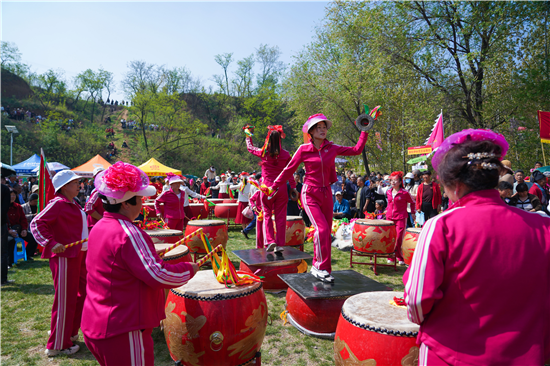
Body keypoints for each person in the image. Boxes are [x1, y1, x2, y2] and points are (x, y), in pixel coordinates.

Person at [404, 128, 550, 365]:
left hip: (451, 352)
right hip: (525, 354)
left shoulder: (440, 226)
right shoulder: (543, 225)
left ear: (456, 185)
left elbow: (417, 302)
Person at [81, 162, 198, 365]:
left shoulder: (100, 226)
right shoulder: (128, 233)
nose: (143, 204)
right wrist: (189, 269)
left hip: (99, 322)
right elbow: (157, 274)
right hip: (123, 327)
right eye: (140, 199)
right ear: (126, 203)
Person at [270, 113, 368, 282]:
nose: (323, 130)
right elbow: (289, 169)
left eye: (324, 128)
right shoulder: (303, 149)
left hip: (326, 193)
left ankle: (324, 268)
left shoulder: (332, 148)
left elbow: (357, 150)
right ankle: (318, 266)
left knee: (326, 231)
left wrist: (364, 131)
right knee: (321, 229)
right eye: (319, 128)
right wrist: (274, 185)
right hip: (310, 193)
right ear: (311, 131)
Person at [30, 170, 88, 356]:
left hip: (77, 255)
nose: (79, 185)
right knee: (65, 300)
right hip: (64, 257)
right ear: (63, 187)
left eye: (79, 182)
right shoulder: (58, 203)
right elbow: (36, 223)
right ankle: (57, 345)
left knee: (80, 295)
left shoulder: (72, 203)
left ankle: (68, 333)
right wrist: (51, 242)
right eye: (75, 182)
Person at [246, 125, 298, 253]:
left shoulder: (264, 153)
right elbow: (290, 172)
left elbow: (250, 148)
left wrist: (248, 135)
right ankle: (280, 244)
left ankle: (270, 241)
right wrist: (293, 187)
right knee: (281, 217)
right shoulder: (285, 154)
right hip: (280, 189)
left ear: (268, 139)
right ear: (280, 139)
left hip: (266, 189)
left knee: (267, 215)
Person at [385, 171, 415, 265]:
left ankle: (399, 256)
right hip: (389, 218)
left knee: (398, 238)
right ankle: (391, 256)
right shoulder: (388, 192)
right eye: (391, 180)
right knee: (390, 237)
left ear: (400, 181)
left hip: (401, 218)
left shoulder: (405, 193)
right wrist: (387, 209)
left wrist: (413, 213)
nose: (393, 182)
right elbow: (389, 204)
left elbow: (413, 202)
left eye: (395, 180)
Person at [7, 190, 28, 266]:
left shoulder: (18, 206)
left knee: (32, 238)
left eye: (14, 195)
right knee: (10, 241)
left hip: (18, 229)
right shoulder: (3, 207)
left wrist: (24, 229)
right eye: (10, 195)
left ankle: (28, 255)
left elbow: (23, 219)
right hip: (6, 231)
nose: (12, 197)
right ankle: (9, 262)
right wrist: (9, 231)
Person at [84, 167, 106, 232]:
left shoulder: (104, 190)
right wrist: (103, 219)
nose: (101, 177)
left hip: (102, 226)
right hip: (95, 226)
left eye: (103, 174)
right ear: (94, 177)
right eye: (99, 175)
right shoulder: (98, 191)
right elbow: (88, 207)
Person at [21, 193, 39, 260]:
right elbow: (22, 217)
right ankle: (28, 253)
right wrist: (32, 216)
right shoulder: (23, 207)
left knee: (35, 237)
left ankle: (30, 254)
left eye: (37, 201)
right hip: (26, 226)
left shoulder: (38, 206)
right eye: (34, 201)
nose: (36, 203)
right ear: (30, 200)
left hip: (36, 225)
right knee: (33, 237)